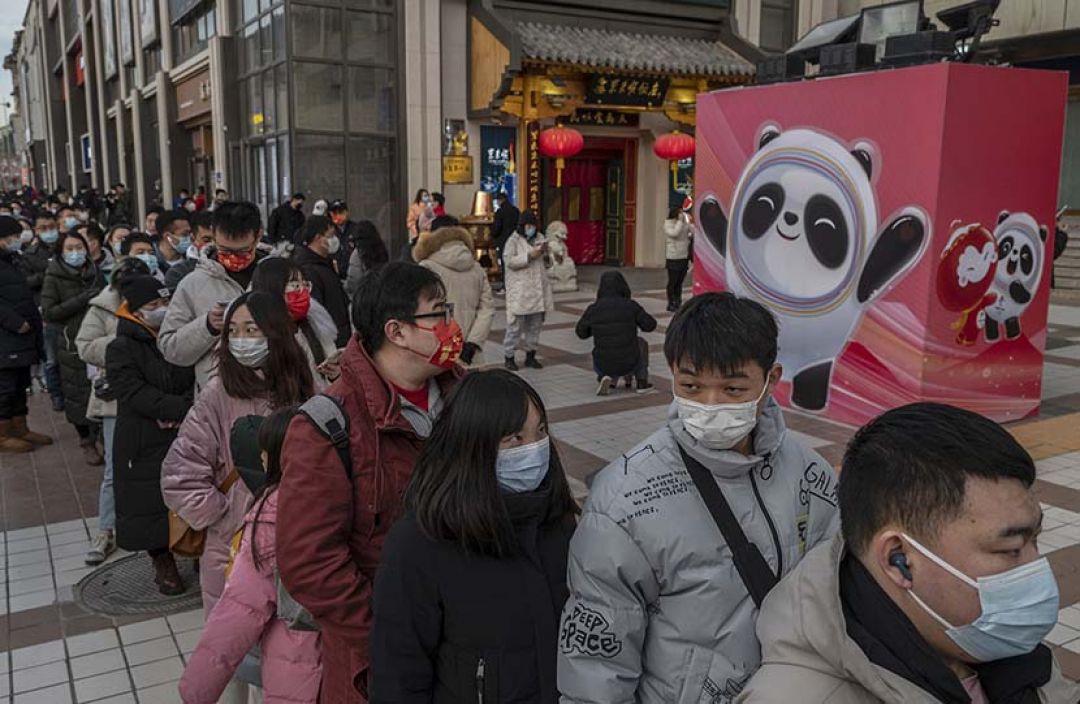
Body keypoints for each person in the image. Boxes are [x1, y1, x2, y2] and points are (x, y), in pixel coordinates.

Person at [557, 292, 840, 703]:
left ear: (770, 379)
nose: (709, 404)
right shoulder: (624, 498)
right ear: (671, 373)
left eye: (732, 388)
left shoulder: (807, 471)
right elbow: (596, 665)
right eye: (691, 385)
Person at [738, 403, 1080, 703]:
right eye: (1011, 549)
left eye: (1035, 539)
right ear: (899, 560)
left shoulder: (999, 647)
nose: (1036, 569)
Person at [277, 262, 464, 703]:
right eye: (438, 313)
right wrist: (389, 633)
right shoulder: (328, 426)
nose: (451, 326)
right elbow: (310, 561)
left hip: (464, 636)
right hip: (378, 658)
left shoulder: (466, 397)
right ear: (396, 331)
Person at [370, 370, 578, 703]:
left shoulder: (558, 522)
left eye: (540, 432)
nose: (535, 449)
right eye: (514, 438)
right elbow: (397, 674)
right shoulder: (419, 544)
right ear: (472, 446)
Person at [163, 291, 315, 613]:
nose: (240, 340)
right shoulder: (217, 394)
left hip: (297, 538)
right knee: (237, 648)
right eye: (233, 331)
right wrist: (224, 516)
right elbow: (180, 473)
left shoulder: (303, 385)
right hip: (233, 548)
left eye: (251, 330)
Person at [179, 406, 323, 704]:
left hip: (295, 661)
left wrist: (196, 688)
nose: (260, 458)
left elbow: (240, 609)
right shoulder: (351, 500)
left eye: (265, 451)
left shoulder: (270, 517)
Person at [107, 275, 195, 595]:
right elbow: (133, 391)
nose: (163, 310)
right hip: (143, 436)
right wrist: (181, 406)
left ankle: (199, 551)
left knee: (193, 492)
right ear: (135, 311)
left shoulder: (180, 336)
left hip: (185, 430)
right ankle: (163, 563)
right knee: (150, 503)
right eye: (153, 305)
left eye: (166, 302)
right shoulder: (121, 347)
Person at [77, 257, 152, 566]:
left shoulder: (157, 298)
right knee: (114, 469)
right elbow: (85, 346)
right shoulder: (102, 306)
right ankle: (106, 530)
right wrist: (125, 340)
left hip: (151, 392)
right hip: (115, 399)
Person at [159, 201, 266, 390]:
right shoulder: (192, 284)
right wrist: (207, 326)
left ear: (258, 236)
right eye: (225, 250)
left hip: (275, 393)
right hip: (219, 398)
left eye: (242, 251)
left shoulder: (279, 276)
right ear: (214, 236)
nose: (233, 257)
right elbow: (170, 348)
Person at [41, 230, 106, 465]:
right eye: (69, 248)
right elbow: (49, 312)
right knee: (76, 394)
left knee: (97, 390)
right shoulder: (54, 276)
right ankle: (86, 440)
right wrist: (82, 299)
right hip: (71, 342)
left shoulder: (95, 272)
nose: (76, 253)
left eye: (79, 247)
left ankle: (103, 438)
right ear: (61, 252)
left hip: (97, 339)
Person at [0, 215, 52, 453]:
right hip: (7, 335)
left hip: (24, 334)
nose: (16, 240)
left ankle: (20, 426)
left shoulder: (13, 260)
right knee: (5, 386)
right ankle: (2, 434)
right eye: (11, 236)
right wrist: (15, 322)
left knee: (21, 382)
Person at [251, 257, 339, 390]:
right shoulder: (255, 338)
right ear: (273, 289)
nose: (302, 292)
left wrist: (334, 375)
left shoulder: (314, 326)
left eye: (305, 285)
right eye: (295, 286)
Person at [413, 224, 494, 367]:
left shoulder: (427, 267)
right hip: (472, 354)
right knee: (470, 387)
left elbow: (421, 309)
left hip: (438, 348)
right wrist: (473, 342)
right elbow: (487, 310)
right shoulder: (477, 269)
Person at [575, 270, 657, 395]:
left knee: (605, 345)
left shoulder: (594, 308)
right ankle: (642, 381)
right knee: (641, 343)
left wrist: (597, 329)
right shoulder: (631, 305)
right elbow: (650, 325)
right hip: (630, 359)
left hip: (602, 362)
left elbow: (581, 333)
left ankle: (605, 377)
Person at [503, 210, 553, 371]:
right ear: (522, 226)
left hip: (538, 290)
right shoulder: (513, 241)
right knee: (515, 327)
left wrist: (546, 255)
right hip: (521, 291)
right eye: (528, 226)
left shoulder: (540, 238)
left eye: (533, 225)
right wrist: (530, 255)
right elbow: (509, 261)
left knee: (535, 326)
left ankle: (531, 355)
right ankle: (509, 356)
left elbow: (548, 264)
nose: (530, 228)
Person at [293, 215, 351, 348]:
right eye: (330, 236)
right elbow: (315, 313)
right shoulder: (308, 269)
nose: (334, 240)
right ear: (318, 238)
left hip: (339, 336)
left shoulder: (325, 263)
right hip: (328, 342)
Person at [164, 210, 210, 292]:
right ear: (193, 239)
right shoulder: (178, 273)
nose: (212, 245)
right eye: (206, 240)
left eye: (216, 240)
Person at [664, 207, 692, 312]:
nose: (682, 214)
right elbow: (674, 233)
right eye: (680, 213)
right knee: (673, 281)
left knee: (680, 282)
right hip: (673, 257)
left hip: (683, 256)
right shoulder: (668, 224)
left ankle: (678, 301)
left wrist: (689, 222)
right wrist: (680, 222)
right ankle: (671, 302)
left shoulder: (683, 223)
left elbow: (692, 232)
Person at [491, 192, 520, 291]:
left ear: (500, 200)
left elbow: (497, 228)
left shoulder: (500, 212)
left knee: (505, 264)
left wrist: (493, 235)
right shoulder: (516, 210)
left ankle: (505, 285)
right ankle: (515, 284)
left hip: (503, 241)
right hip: (515, 240)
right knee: (515, 262)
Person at [155, 209, 192, 275]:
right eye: (184, 235)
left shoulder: (192, 260)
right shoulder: (152, 263)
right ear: (167, 236)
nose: (190, 238)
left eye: (190, 233)